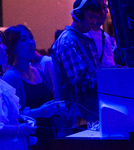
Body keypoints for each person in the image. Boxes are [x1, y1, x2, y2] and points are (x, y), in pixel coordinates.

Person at [3, 24, 62, 150]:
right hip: (29, 140)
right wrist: (38, 112)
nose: (31, 43)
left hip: (50, 136)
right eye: (23, 40)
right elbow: (10, 117)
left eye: (31, 38)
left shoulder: (39, 71)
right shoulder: (11, 76)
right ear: (12, 48)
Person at [51, 0, 102, 137]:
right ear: (78, 15)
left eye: (95, 18)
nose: (93, 21)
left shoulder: (83, 39)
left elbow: (95, 73)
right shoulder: (67, 42)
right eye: (91, 16)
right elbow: (82, 83)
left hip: (88, 116)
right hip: (75, 119)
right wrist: (110, 82)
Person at [84, 0, 115, 68]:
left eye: (105, 7)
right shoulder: (84, 36)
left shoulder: (106, 36)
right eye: (99, 9)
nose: (104, 12)